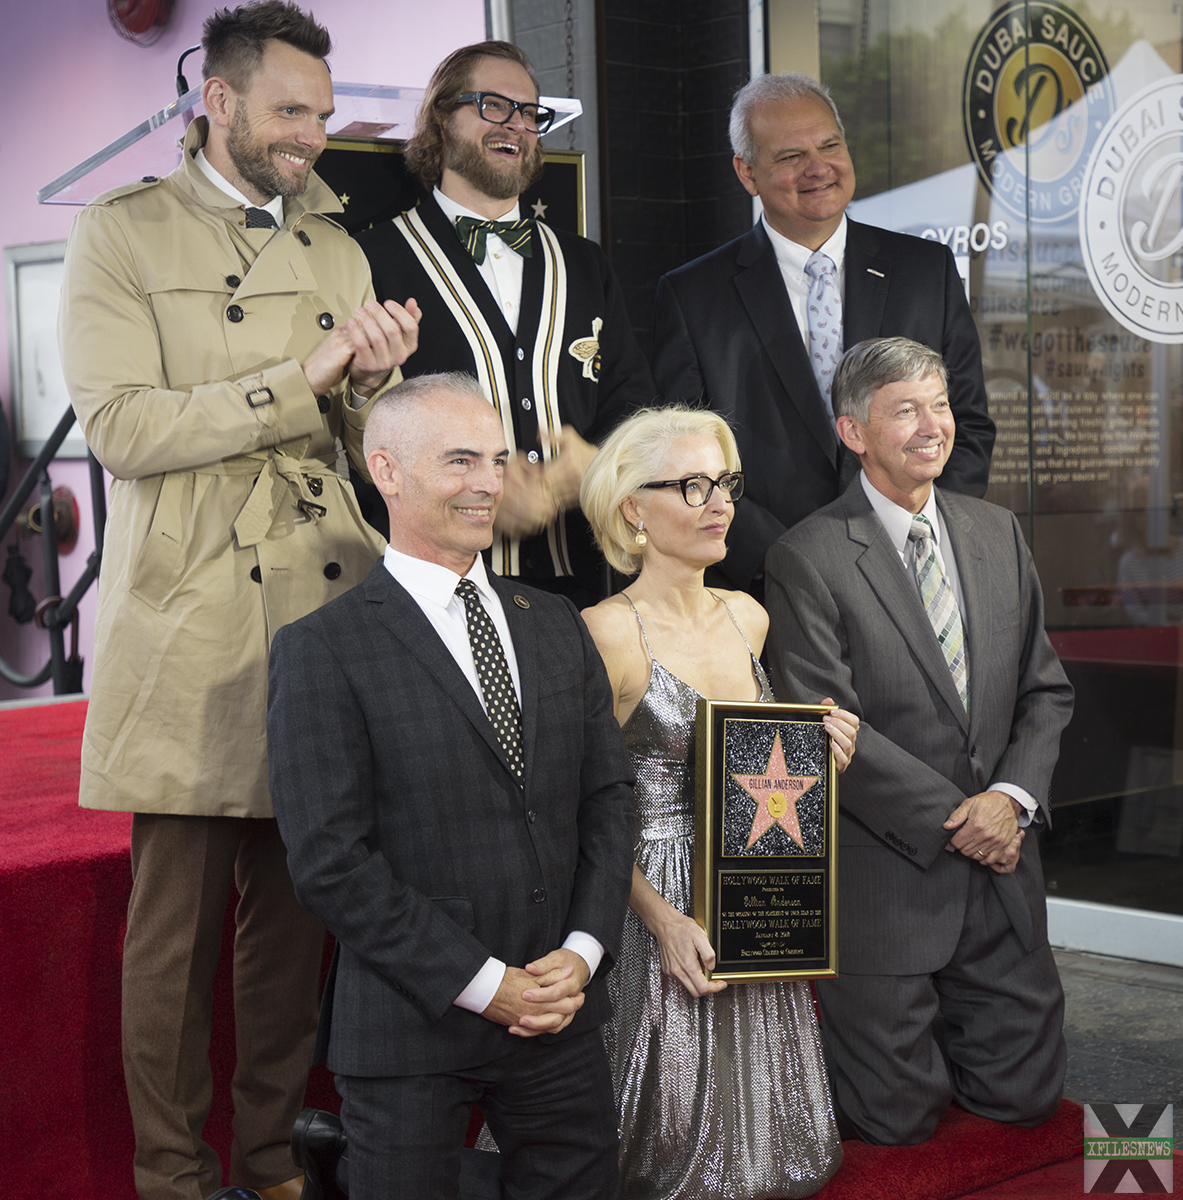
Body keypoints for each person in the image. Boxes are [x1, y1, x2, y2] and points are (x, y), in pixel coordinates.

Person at [57, 4, 420, 1197]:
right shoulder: (123, 231)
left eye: (323, 113)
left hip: (323, 596)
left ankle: (268, 1162)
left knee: (298, 917)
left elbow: (364, 442)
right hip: (195, 602)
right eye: (289, 111)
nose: (312, 134)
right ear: (217, 102)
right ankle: (171, 1175)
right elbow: (122, 429)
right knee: (174, 934)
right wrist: (297, 378)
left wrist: (370, 390)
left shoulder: (338, 244)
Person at [266, 372, 636, 1200]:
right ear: (386, 471)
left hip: (558, 1013)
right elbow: (329, 863)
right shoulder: (322, 649)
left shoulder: (555, 622)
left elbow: (608, 801)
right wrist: (485, 985)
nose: (487, 483)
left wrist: (582, 954)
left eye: (498, 461)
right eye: (459, 460)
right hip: (410, 1024)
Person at [766, 338, 1074, 1145]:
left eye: (938, 405)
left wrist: (1006, 802)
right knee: (894, 1124)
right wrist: (962, 821)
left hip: (1002, 873)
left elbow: (1044, 691)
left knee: (1027, 1102)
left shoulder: (996, 532)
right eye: (905, 410)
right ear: (852, 432)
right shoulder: (806, 556)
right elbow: (823, 726)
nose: (932, 425)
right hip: (889, 882)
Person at [579, 406, 858, 1197]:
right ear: (632, 508)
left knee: (767, 1158)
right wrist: (662, 921)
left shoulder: (748, 616)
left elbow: (758, 775)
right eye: (692, 485)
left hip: (750, 888)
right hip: (651, 896)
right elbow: (577, 808)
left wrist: (820, 755)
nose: (719, 505)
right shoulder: (605, 633)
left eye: (724, 484)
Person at [651, 73, 996, 595]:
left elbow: (968, 426)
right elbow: (686, 457)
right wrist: (785, 560)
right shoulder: (693, 296)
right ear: (747, 172)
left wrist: (913, 536)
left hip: (916, 574)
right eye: (791, 156)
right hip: (770, 586)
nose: (818, 168)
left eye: (830, 146)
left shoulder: (927, 272)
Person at [354, 40, 655, 605]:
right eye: (493, 105)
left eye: (530, 112)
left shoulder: (585, 264)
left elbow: (635, 414)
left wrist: (590, 468)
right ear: (441, 118)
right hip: (438, 588)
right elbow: (362, 437)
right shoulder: (371, 260)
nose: (516, 124)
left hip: (583, 584)